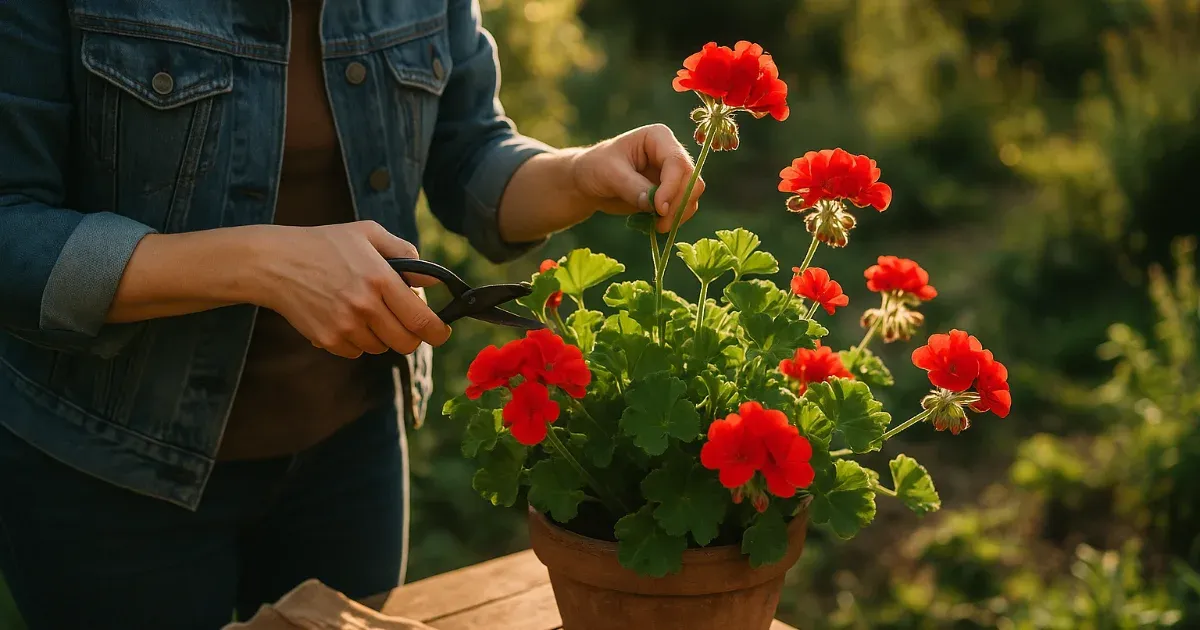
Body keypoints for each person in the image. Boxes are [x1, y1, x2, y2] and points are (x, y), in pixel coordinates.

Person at [0, 1, 705, 628]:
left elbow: (468, 151)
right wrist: (260, 264)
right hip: (107, 473)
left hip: (348, 452)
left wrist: (579, 172)